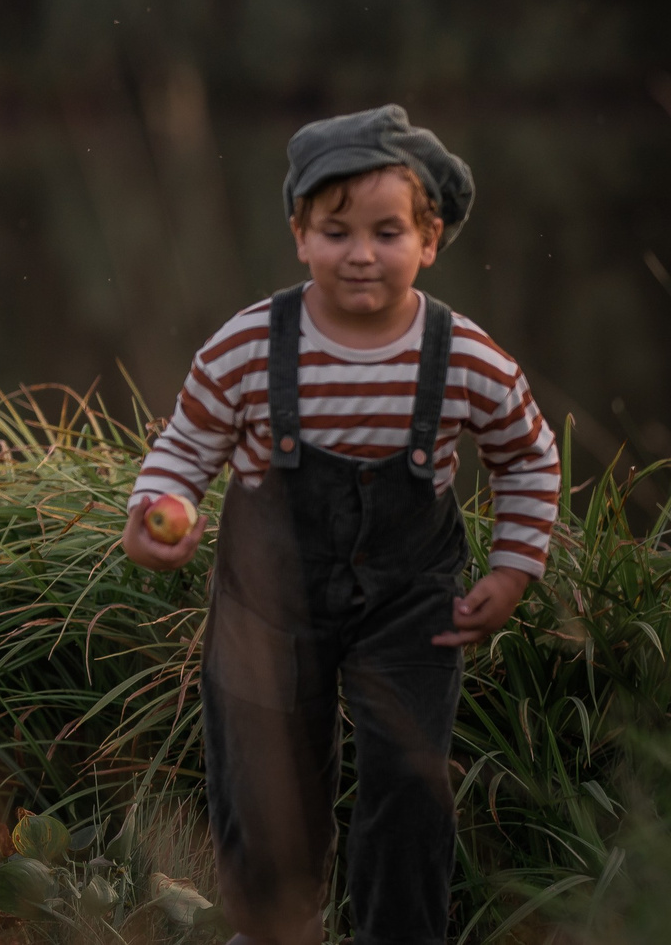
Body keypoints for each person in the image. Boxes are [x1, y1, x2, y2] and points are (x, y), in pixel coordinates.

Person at [122, 106, 560, 945]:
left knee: (408, 782)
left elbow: (528, 456)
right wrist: (156, 515)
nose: (361, 252)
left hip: (411, 605)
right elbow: (186, 444)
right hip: (267, 605)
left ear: (429, 239)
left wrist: (511, 570)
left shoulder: (464, 355)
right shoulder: (249, 345)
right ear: (299, 235)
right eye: (336, 230)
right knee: (265, 785)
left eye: (387, 231)